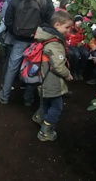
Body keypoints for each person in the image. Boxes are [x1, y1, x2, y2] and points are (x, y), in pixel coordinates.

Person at [0, 0, 55, 106]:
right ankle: (28, 99)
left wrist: (16, 32)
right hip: (37, 40)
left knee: (12, 67)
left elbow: (9, 19)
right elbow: (50, 19)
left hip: (19, 39)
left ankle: (4, 96)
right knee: (33, 67)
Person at [32, 11, 73, 141]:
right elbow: (58, 66)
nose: (68, 31)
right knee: (57, 106)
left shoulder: (47, 38)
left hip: (45, 77)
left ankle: (39, 117)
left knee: (46, 101)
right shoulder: (54, 43)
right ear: (57, 25)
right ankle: (45, 131)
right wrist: (67, 75)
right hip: (52, 80)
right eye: (66, 27)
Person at [0, 0, 21, 88]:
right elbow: (4, 17)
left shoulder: (21, 1)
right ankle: (4, 82)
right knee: (8, 60)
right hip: (9, 34)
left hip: (17, 35)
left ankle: (11, 81)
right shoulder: (8, 2)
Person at [65, 15, 90, 80]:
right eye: (77, 21)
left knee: (86, 54)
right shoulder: (70, 29)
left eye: (80, 21)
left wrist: (84, 42)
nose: (79, 22)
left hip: (80, 45)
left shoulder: (84, 29)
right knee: (76, 54)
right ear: (74, 22)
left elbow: (86, 38)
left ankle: (80, 72)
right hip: (72, 45)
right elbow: (67, 38)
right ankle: (73, 71)